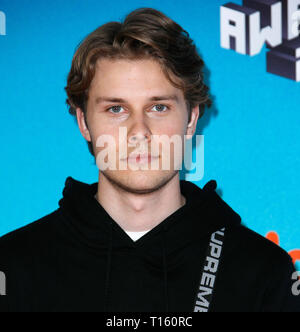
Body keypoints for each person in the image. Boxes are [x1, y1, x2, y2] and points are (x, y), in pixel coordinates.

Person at [0, 7, 299, 313]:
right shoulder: (13, 266)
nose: (139, 132)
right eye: (116, 109)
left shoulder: (263, 272)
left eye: (159, 107)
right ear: (84, 123)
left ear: (192, 118)